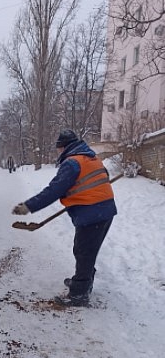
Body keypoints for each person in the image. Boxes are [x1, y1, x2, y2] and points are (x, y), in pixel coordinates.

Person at [12, 130, 117, 307]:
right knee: (86, 250)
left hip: (92, 212)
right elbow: (101, 178)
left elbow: (54, 190)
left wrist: (29, 206)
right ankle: (82, 282)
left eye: (58, 148)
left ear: (64, 147)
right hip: (104, 210)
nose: (58, 152)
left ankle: (79, 294)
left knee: (84, 252)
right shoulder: (90, 158)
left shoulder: (72, 163)